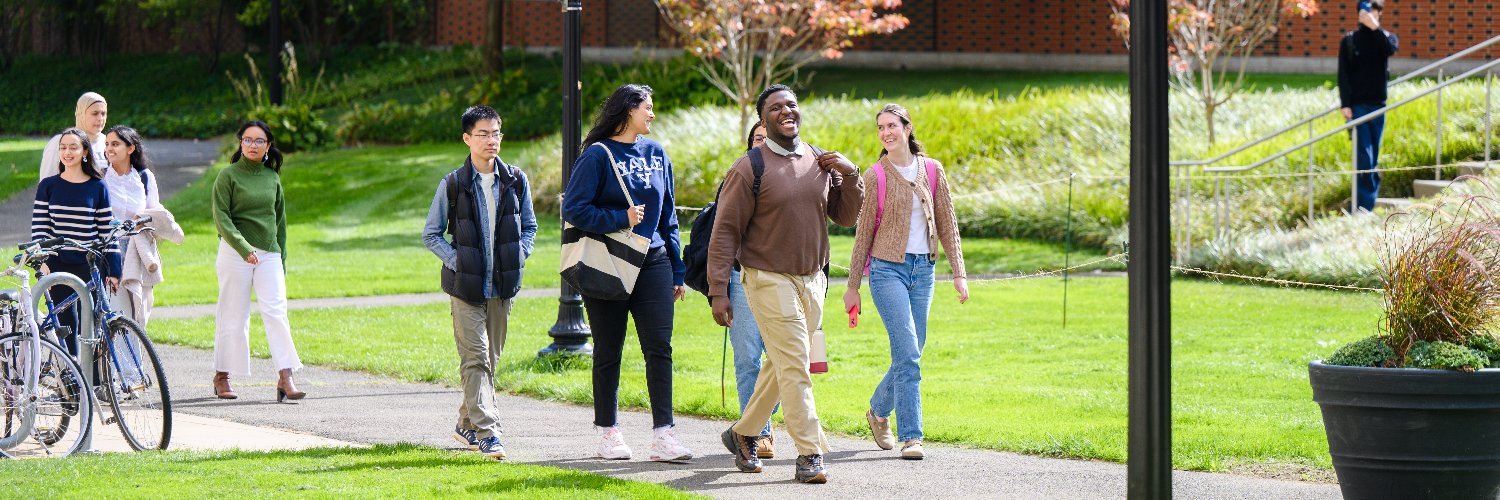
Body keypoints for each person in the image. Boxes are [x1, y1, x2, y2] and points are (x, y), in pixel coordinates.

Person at [708, 84, 864, 484]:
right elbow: (724, 232)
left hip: (814, 279)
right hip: (766, 278)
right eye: (776, 108)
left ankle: (744, 434)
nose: (786, 111)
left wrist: (850, 174)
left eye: (791, 105)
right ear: (764, 120)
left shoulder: (817, 159)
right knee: (797, 362)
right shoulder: (749, 167)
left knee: (783, 364)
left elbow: (845, 217)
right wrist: (718, 291)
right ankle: (810, 453)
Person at [561, 83, 694, 463]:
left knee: (659, 348)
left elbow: (667, 216)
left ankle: (664, 435)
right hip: (608, 262)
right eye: (647, 107)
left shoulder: (656, 153)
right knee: (609, 349)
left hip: (652, 261)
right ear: (628, 110)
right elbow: (574, 208)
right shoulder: (597, 156)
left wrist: (677, 270)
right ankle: (608, 432)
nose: (652, 114)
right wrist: (620, 217)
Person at [843, 104, 969, 461]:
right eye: (881, 127)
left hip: (923, 271)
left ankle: (878, 411)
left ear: (908, 128)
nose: (886, 132)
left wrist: (958, 272)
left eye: (892, 125)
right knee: (909, 352)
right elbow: (863, 234)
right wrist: (853, 285)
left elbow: (947, 222)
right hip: (886, 272)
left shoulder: (932, 169)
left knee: (914, 349)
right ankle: (912, 436)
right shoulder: (875, 175)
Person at [422, 105, 537, 460]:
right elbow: (431, 234)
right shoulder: (454, 183)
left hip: (503, 288)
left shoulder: (515, 179)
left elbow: (530, 227)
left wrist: (519, 254)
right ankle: (489, 433)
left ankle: (465, 425)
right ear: (467, 138)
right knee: (476, 359)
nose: (492, 140)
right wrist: (460, 262)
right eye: (484, 134)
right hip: (466, 288)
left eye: (497, 133)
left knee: (490, 361)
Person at [211, 120, 304, 402]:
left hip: (269, 253)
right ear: (240, 143)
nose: (253, 145)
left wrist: (281, 259)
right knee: (233, 314)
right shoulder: (227, 176)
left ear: (268, 146)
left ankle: (285, 375)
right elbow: (221, 217)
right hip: (233, 251)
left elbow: (281, 223)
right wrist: (242, 247)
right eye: (248, 140)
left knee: (276, 312)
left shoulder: (272, 178)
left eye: (259, 141)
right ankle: (222, 375)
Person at [32, 128, 120, 356]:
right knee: (67, 326)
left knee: (93, 325)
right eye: (63, 148)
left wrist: (115, 269)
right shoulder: (48, 186)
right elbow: (40, 228)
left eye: (73, 147)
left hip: (89, 265)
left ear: (84, 152)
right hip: (57, 264)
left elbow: (105, 231)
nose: (67, 152)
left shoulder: (98, 186)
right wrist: (43, 263)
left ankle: (97, 384)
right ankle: (72, 382)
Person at [725, 120, 780, 459]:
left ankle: (760, 421)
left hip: (784, 279)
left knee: (780, 357)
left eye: (767, 137)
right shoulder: (739, 175)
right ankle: (757, 433)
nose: (762, 142)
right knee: (747, 357)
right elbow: (723, 233)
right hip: (741, 277)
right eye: (757, 137)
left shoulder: (795, 174)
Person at [1337, 0, 1398, 212]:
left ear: (1380, 13)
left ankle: (1366, 203)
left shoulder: (1386, 37)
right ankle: (1364, 207)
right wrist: (1345, 104)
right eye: (1366, 10)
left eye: (1374, 10)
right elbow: (1343, 73)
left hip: (1379, 104)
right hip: (1358, 106)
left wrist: (1376, 28)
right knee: (1364, 156)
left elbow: (1390, 49)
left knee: (1373, 157)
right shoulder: (1350, 40)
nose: (1370, 14)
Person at [101, 125, 166, 322]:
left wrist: (144, 218)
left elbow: (155, 213)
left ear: (131, 148)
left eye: (115, 144)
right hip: (109, 250)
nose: (109, 149)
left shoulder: (144, 177)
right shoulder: (100, 177)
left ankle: (135, 352)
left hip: (138, 250)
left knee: (140, 311)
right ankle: (112, 353)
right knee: (115, 311)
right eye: (107, 144)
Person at [40, 92, 109, 179]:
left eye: (103, 113)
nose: (100, 118)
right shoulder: (60, 142)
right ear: (81, 114)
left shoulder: (109, 142)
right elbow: (46, 184)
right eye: (95, 113)